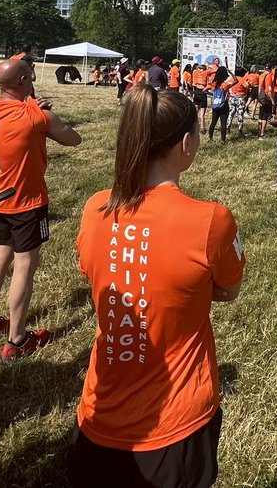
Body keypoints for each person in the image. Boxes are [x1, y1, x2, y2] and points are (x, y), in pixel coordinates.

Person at [71, 85, 244, 487]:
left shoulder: (95, 208)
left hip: (97, 414)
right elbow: (229, 290)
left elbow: (96, 274)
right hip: (176, 425)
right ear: (186, 144)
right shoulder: (211, 220)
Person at [0, 60, 82, 361]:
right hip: (27, 203)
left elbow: (16, 108)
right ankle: (17, 339)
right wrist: (40, 109)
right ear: (23, 81)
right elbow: (74, 139)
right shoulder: (37, 115)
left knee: (0, 257)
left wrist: (32, 104)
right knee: (24, 266)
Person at [207, 65, 231, 142]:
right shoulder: (225, 85)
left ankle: (210, 138)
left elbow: (204, 90)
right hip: (224, 104)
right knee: (223, 123)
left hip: (215, 104)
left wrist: (212, 94)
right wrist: (230, 72)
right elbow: (236, 80)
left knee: (213, 122)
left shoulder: (214, 84)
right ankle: (223, 140)